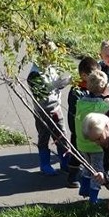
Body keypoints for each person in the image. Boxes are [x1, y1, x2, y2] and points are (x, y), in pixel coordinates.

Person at [27, 44, 72, 176]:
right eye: (51, 55)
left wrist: (64, 82)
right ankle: (45, 164)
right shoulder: (35, 73)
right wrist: (56, 84)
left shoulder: (51, 68)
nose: (54, 58)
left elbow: (57, 85)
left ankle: (65, 163)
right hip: (42, 111)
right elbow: (40, 93)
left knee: (61, 136)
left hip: (56, 108)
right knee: (44, 137)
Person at [74, 70, 109, 203]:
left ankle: (84, 188)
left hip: (81, 143)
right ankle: (93, 198)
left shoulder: (80, 102)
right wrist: (107, 96)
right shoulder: (101, 105)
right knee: (97, 171)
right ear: (103, 87)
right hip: (95, 145)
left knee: (86, 166)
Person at [65, 56, 99, 187]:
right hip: (78, 128)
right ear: (84, 75)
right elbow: (75, 113)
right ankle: (72, 176)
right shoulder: (77, 91)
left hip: (91, 127)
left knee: (90, 153)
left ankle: (89, 175)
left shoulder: (92, 87)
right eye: (93, 76)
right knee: (77, 152)